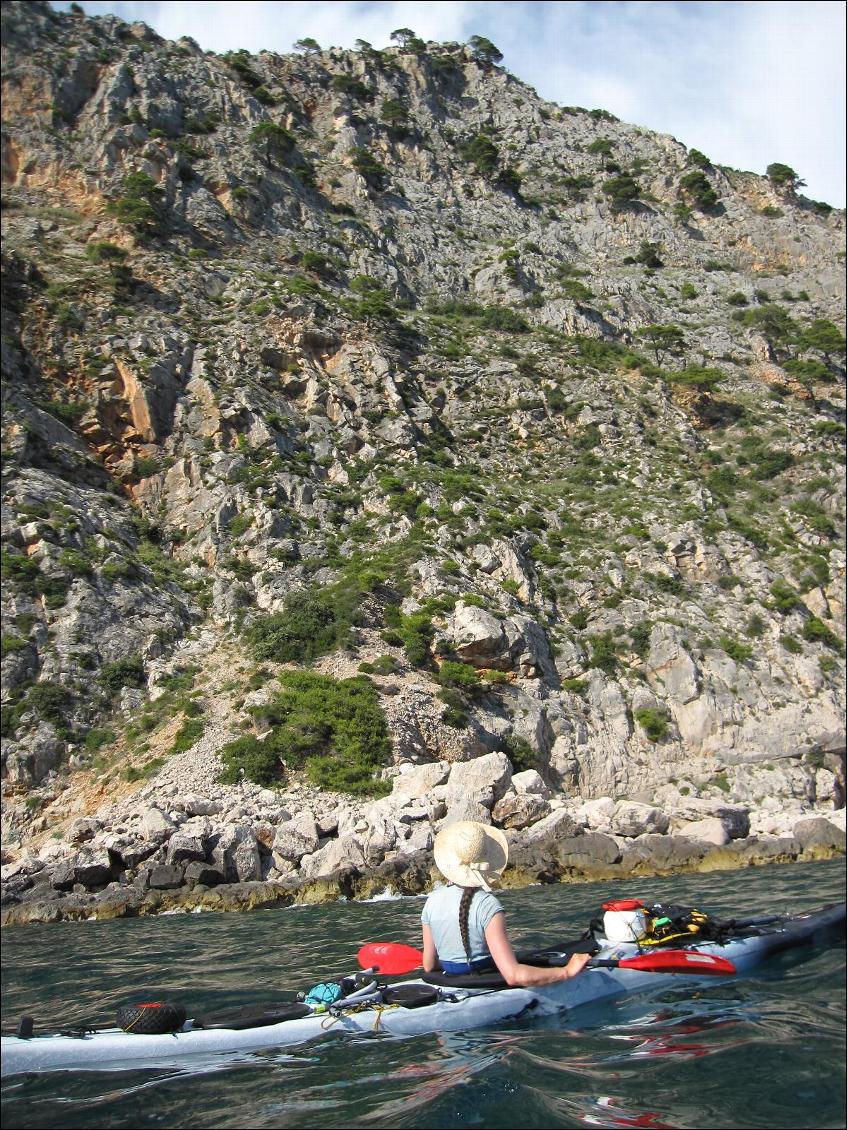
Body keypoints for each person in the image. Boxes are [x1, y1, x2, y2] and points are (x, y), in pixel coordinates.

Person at [421, 820, 593, 987]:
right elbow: (513, 976)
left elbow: (429, 966)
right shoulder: (488, 906)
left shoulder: (431, 901)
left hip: (450, 979)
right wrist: (567, 971)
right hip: (484, 980)